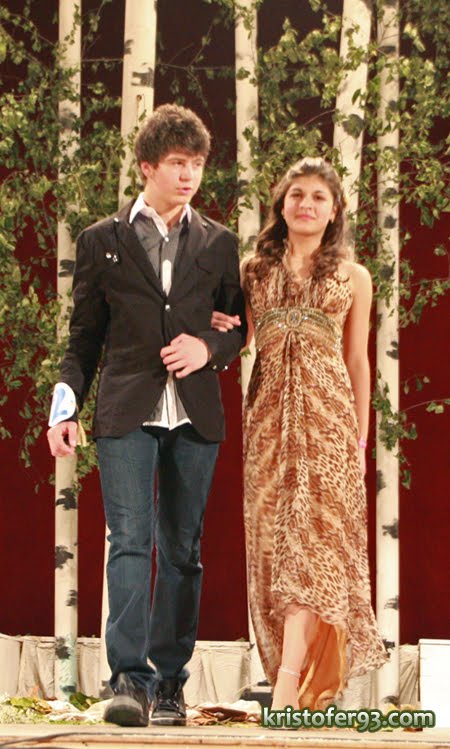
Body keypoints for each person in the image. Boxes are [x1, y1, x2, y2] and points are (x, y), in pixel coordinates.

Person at [47, 104, 246, 728]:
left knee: (182, 550)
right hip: (125, 409)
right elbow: (83, 338)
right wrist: (64, 405)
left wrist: (209, 348)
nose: (188, 176)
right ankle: (129, 682)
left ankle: (170, 685)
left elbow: (238, 327)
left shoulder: (220, 242)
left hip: (194, 413)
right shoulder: (101, 240)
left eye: (197, 165)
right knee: (129, 543)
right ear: (147, 167)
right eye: (177, 163)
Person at [212, 156, 387, 711]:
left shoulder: (354, 277)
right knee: (274, 546)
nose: (306, 204)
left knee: (312, 547)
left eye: (318, 197)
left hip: (330, 425)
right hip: (267, 422)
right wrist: (214, 329)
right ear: (281, 204)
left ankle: (289, 686)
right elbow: (237, 339)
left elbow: (357, 361)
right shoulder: (251, 271)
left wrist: (360, 439)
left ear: (334, 211)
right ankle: (294, 680)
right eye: (297, 195)